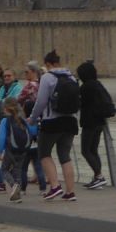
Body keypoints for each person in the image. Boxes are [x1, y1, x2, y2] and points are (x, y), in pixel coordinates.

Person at [28, 50, 80, 202]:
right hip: (70, 121)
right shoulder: (71, 76)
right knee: (65, 156)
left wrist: (32, 118)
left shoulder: (47, 77)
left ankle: (55, 186)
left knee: (43, 153)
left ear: (48, 64)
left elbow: (41, 101)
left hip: (52, 121)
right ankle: (70, 192)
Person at [76, 60, 116, 190]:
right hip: (100, 122)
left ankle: (99, 176)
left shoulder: (86, 87)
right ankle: (97, 177)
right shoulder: (98, 85)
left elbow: (79, 103)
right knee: (93, 150)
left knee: (85, 150)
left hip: (90, 122)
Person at [0, 96, 36, 202]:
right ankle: (17, 195)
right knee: (17, 170)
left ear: (5, 108)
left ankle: (14, 186)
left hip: (11, 150)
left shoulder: (5, 121)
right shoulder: (22, 119)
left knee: (4, 169)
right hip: (23, 150)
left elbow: (2, 138)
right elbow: (32, 131)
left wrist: (0, 151)